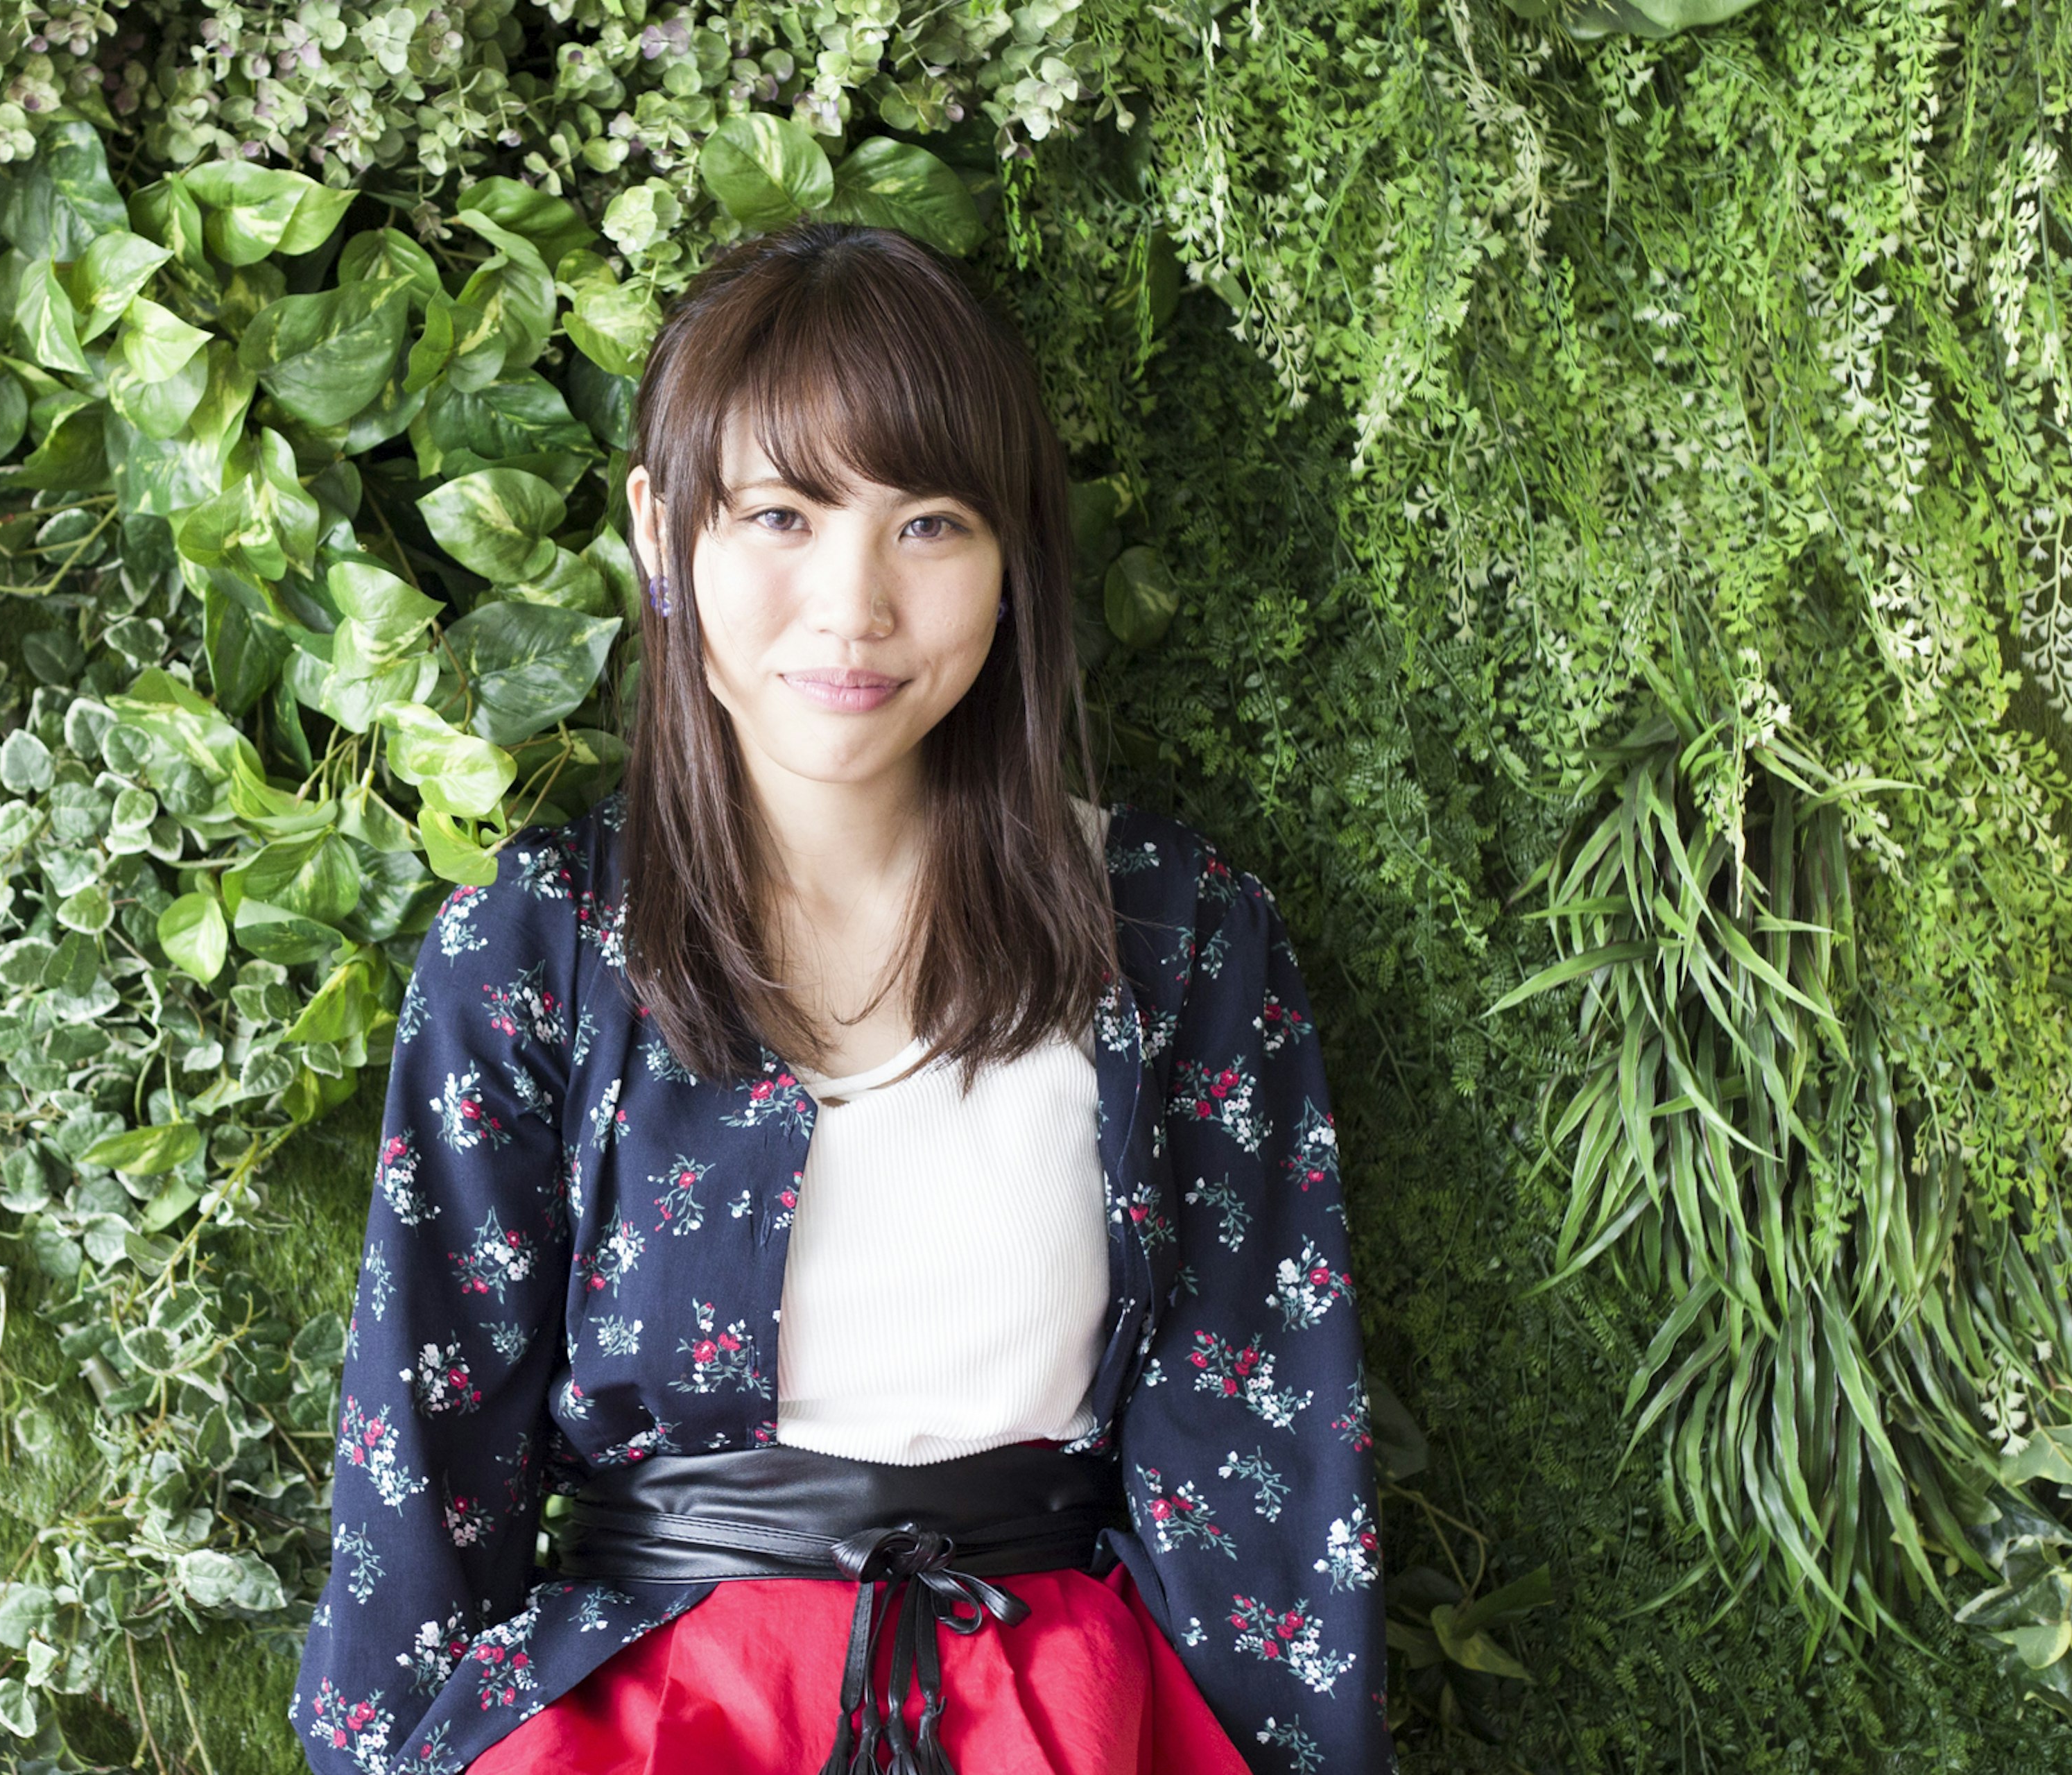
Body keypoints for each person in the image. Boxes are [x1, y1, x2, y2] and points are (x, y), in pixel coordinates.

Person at [291, 218, 1390, 1775]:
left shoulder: (1172, 936)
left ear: (1015, 559)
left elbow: (1265, 1471)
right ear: (661, 534)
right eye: (783, 514)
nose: (855, 603)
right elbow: (422, 1462)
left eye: (929, 521)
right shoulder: (537, 948)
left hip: (1057, 1719)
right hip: (660, 1719)